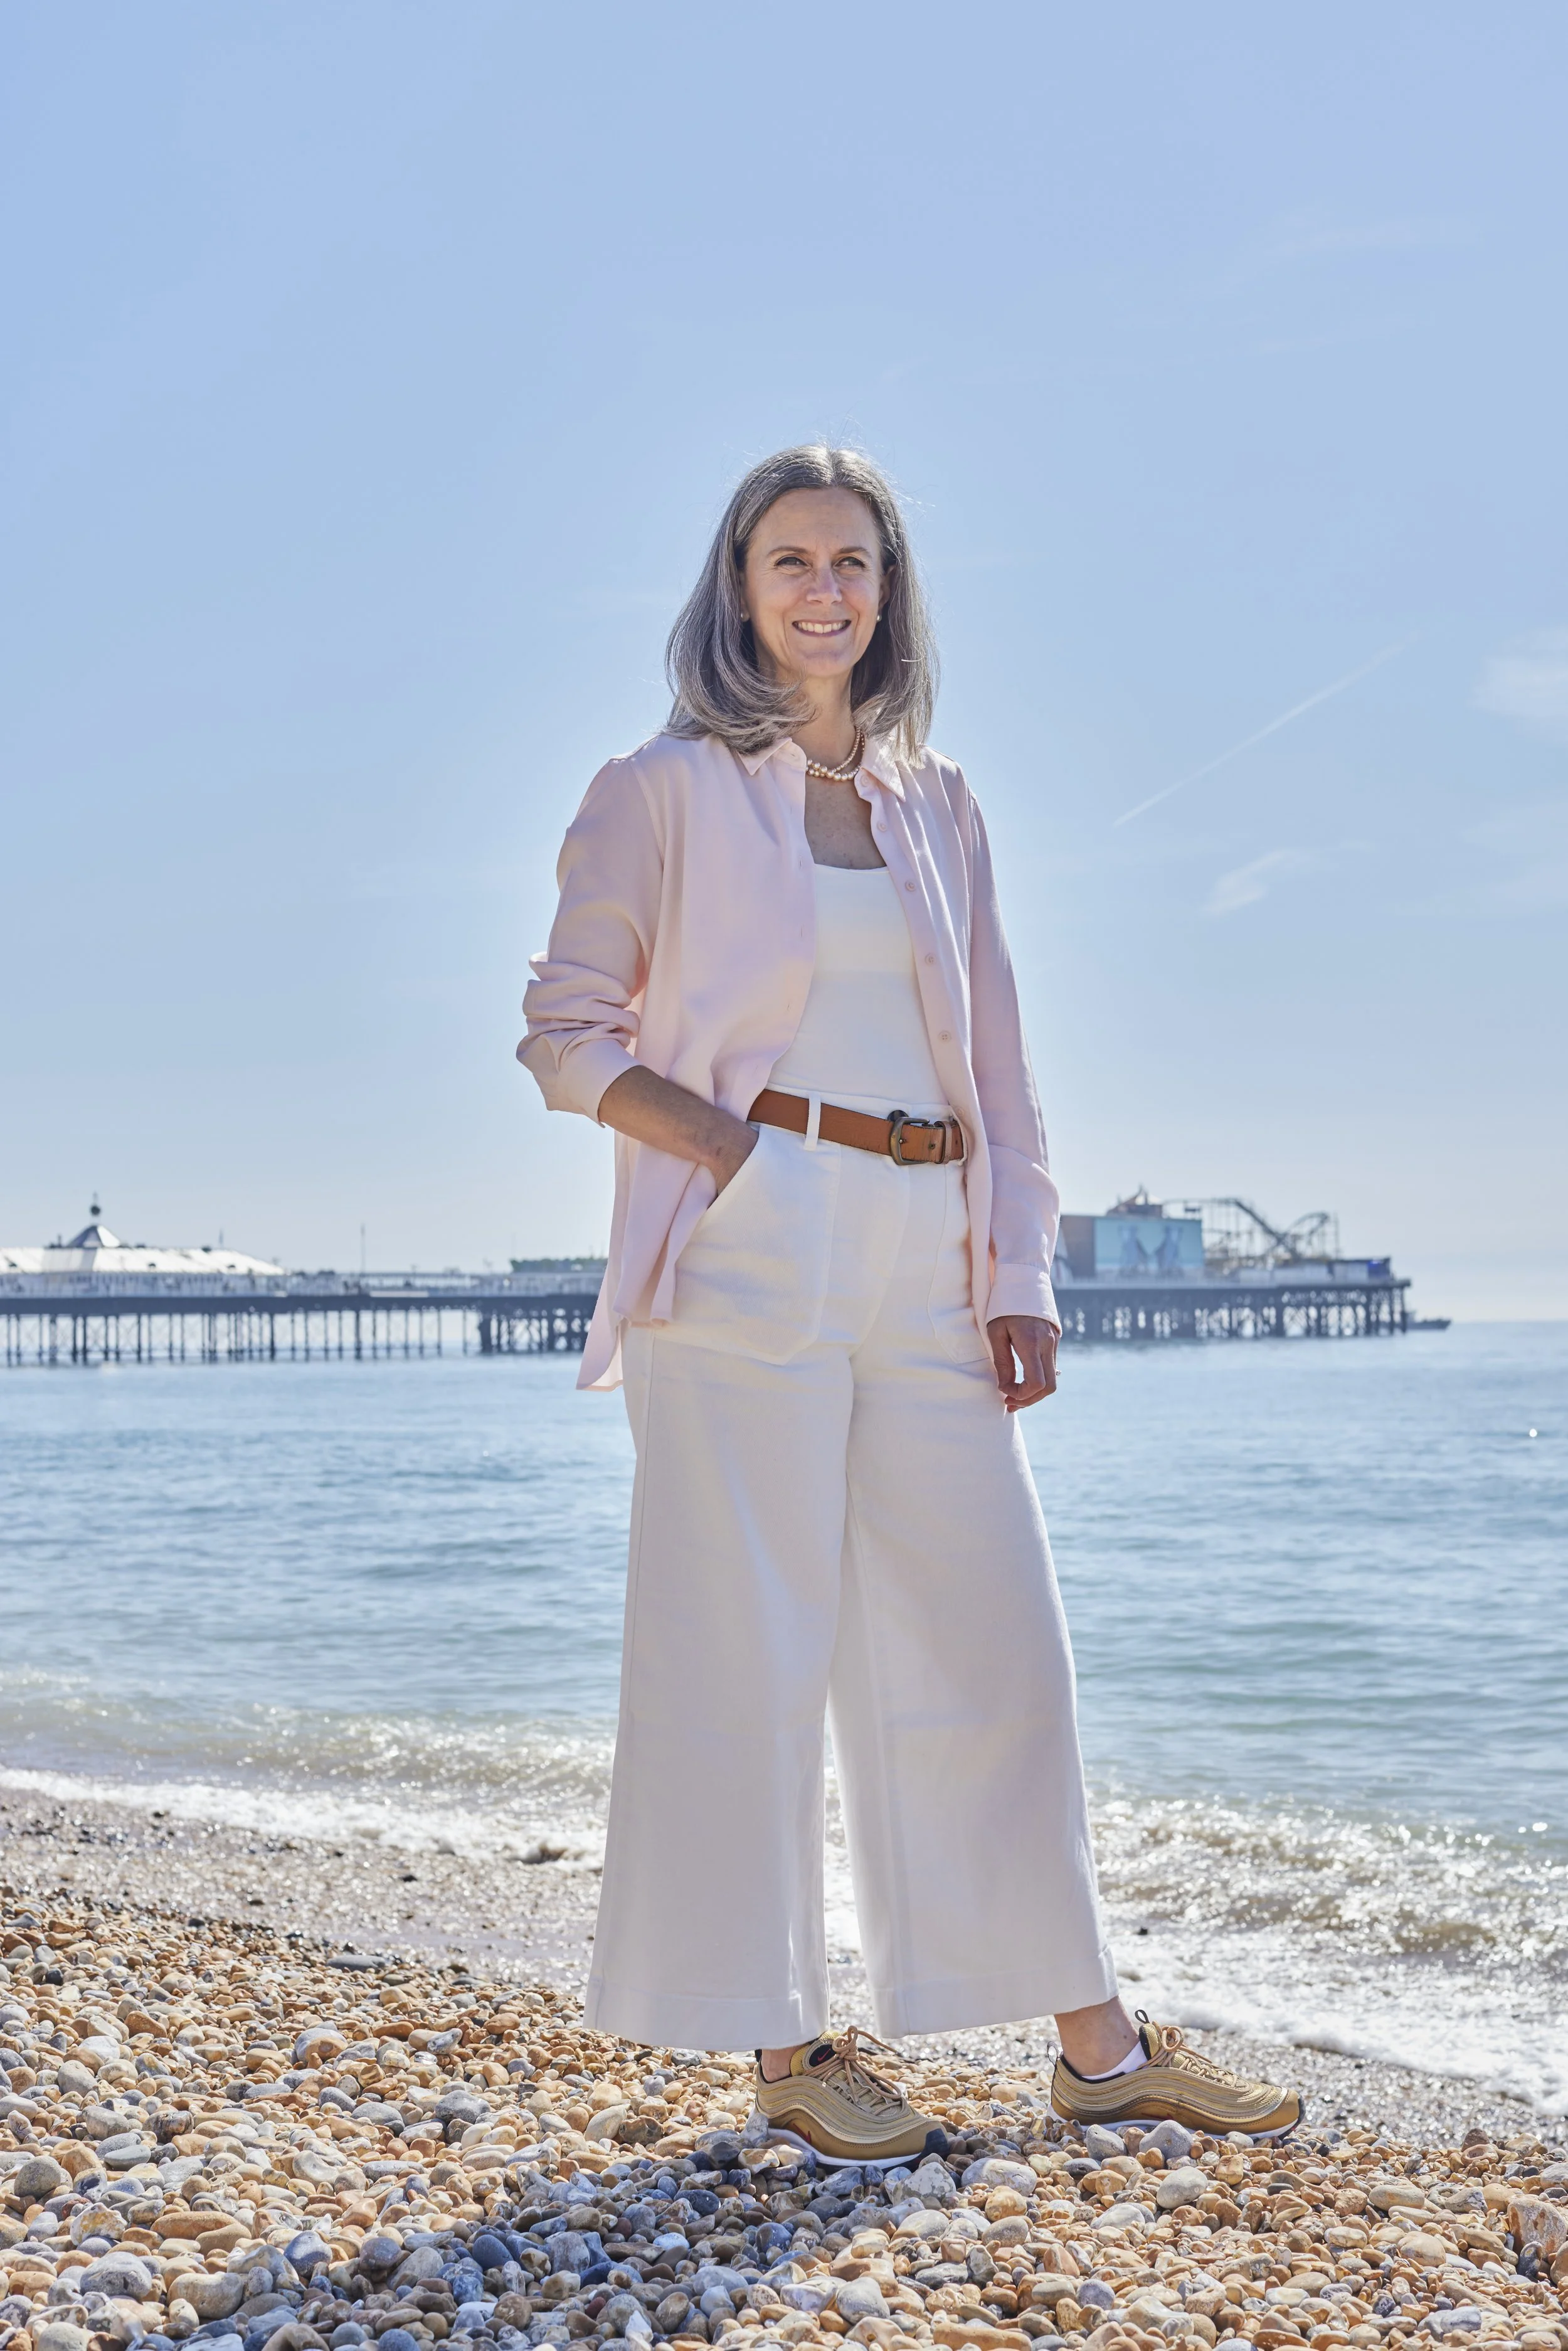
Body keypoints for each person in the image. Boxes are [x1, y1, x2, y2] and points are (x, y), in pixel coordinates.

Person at [519, 445, 1300, 2157]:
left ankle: (1095, 2041)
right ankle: (787, 2043)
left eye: (852, 562)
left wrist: (1013, 1264)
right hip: (749, 1237)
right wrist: (723, 1148)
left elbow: (1006, 1067)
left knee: (993, 1634)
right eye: (789, 558)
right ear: (737, 585)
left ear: (889, 591)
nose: (823, 589)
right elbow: (566, 1033)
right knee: (747, 1643)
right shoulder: (655, 788)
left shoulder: (938, 806)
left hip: (932, 1238)